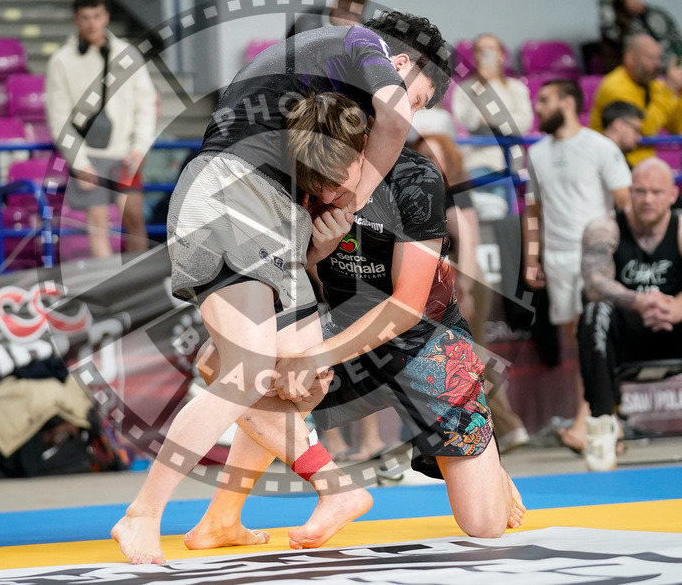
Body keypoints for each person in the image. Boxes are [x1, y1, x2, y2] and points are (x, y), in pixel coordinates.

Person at [112, 12, 450, 564]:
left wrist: (321, 231)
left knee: (302, 375)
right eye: (423, 98)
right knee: (245, 373)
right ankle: (142, 514)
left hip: (270, 211)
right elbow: (392, 114)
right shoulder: (364, 45)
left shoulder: (324, 89)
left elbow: (309, 212)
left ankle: (235, 515)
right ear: (403, 64)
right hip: (234, 194)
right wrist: (359, 193)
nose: (416, 113)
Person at [185, 93, 524, 550]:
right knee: (224, 359)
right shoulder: (294, 180)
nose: (326, 195)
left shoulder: (414, 178)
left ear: (364, 147)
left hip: (426, 340)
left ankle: (488, 459)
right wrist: (313, 257)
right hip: (342, 324)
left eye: (336, 181)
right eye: (315, 182)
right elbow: (278, 286)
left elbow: (407, 308)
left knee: (485, 526)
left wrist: (317, 354)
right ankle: (230, 516)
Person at [578, 158, 682, 471]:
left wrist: (679, 305)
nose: (647, 199)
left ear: (672, 194)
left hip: (676, 331)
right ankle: (602, 424)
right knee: (594, 310)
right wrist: (638, 301)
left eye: (656, 192)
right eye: (639, 191)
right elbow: (594, 283)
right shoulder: (604, 228)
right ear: (629, 193)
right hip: (626, 336)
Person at [523, 79, 631, 453]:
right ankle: (608, 422)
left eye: (545, 99)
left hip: (595, 260)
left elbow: (624, 201)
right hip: (556, 258)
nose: (537, 107)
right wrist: (533, 258)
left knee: (592, 338)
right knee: (576, 344)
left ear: (568, 102)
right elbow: (532, 211)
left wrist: (620, 251)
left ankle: (589, 422)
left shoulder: (600, 146)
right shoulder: (535, 153)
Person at [412, 132, 529, 452]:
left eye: (437, 156)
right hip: (453, 280)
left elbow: (469, 236)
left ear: (451, 161)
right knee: (469, 355)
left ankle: (506, 426)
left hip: (464, 280)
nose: (430, 162)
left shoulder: (452, 192)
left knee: (470, 357)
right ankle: (500, 428)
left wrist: (462, 285)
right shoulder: (432, 190)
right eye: (424, 156)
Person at [45, 0, 156, 258]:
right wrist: (80, 162)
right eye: (85, 17)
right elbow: (59, 118)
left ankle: (137, 287)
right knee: (98, 226)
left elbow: (146, 104)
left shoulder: (128, 53)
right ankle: (112, 293)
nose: (92, 23)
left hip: (126, 153)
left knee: (134, 221)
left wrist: (139, 148)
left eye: (96, 16)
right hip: (89, 155)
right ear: (76, 20)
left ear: (106, 16)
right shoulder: (61, 61)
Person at [450, 33, 533, 213]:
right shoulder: (464, 89)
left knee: (503, 218)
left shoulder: (516, 88)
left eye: (491, 50)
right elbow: (467, 123)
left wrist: (490, 119)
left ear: (501, 55)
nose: (486, 55)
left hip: (509, 162)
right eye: (481, 50)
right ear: (474, 56)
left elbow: (523, 124)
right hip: (476, 161)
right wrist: (481, 87)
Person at [590, 34, 682, 167]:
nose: (657, 64)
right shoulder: (614, 86)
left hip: (643, 166)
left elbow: (677, 128)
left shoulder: (654, 85)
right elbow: (645, 129)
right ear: (629, 58)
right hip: (612, 163)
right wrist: (669, 91)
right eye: (650, 58)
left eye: (658, 58)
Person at [598, 0, 682, 71]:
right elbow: (608, 29)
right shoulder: (629, 26)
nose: (636, 2)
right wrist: (606, 3)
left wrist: (677, 62)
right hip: (646, 70)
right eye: (630, 1)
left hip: (672, 64)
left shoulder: (656, 13)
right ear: (625, 8)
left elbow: (676, 39)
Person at [286, 0, 368, 38]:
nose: (349, 19)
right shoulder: (307, 22)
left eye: (356, 14)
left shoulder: (365, 34)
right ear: (335, 4)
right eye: (345, 11)